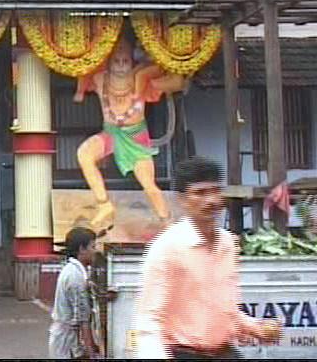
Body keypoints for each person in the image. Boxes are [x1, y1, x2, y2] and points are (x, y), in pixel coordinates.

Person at [134, 157, 283, 359]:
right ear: (182, 199)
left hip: (224, 353)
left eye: (215, 191)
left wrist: (257, 328)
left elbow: (224, 309)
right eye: (200, 193)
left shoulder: (227, 244)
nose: (211, 200)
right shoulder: (167, 248)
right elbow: (148, 320)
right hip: (184, 354)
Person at [74, 36, 185, 231]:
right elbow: (81, 67)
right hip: (110, 134)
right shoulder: (100, 79)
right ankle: (104, 204)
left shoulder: (143, 81)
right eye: (116, 61)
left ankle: (166, 220)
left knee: (148, 184)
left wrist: (169, 59)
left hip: (136, 138)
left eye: (125, 61)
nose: (120, 66)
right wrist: (80, 90)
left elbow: (177, 82)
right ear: (109, 61)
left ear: (132, 62)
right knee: (84, 154)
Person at [48, 227, 100, 359]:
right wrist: (91, 352)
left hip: (65, 338)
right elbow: (83, 320)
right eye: (93, 247)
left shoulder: (73, 270)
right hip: (67, 342)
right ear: (82, 249)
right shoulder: (75, 277)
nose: (95, 251)